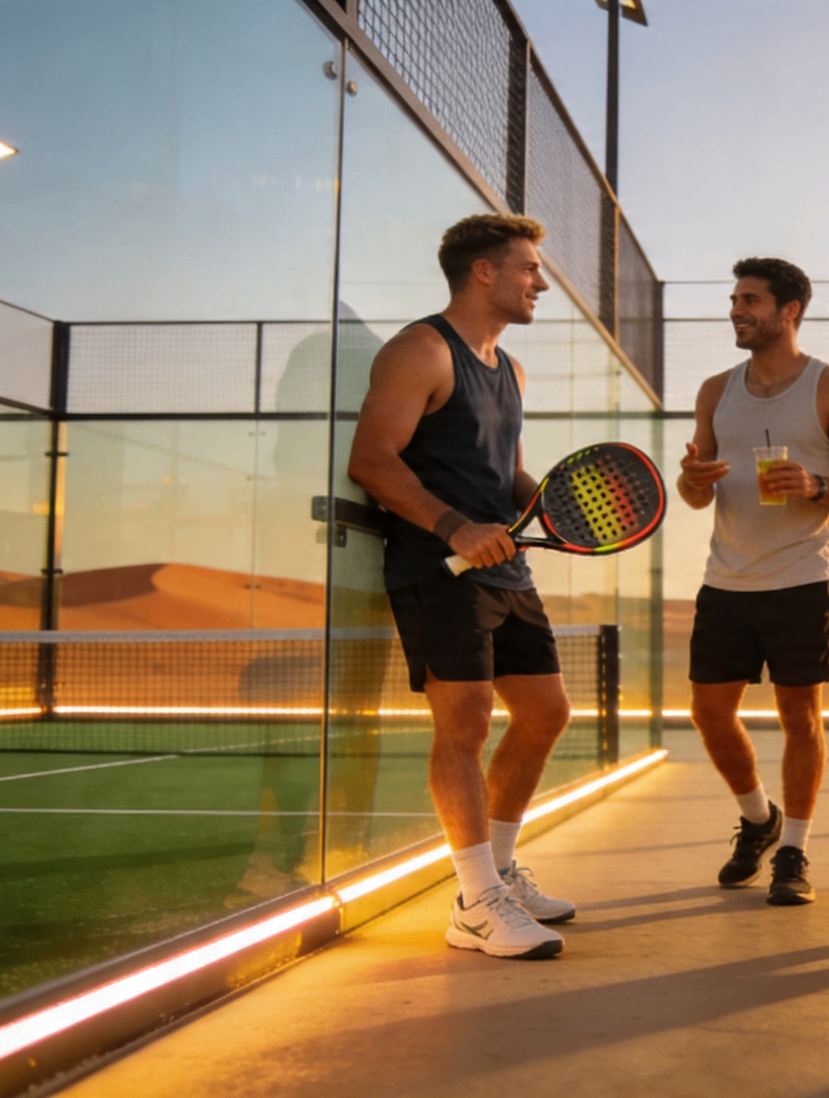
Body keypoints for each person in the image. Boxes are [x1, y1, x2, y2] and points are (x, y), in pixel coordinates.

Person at [348, 214, 575, 960]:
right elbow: (372, 459)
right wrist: (454, 529)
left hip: (505, 568)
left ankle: (499, 873)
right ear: (484, 271)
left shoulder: (510, 369)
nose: (540, 283)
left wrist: (550, 502)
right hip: (437, 568)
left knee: (545, 713)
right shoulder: (420, 350)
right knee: (466, 726)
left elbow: (503, 470)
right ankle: (475, 904)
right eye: (529, 268)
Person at [676, 257, 829, 906]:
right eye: (735, 300)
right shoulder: (715, 390)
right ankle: (758, 817)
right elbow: (694, 495)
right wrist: (692, 480)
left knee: (800, 717)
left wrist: (817, 485)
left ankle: (793, 849)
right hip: (725, 580)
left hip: (801, 578)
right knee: (709, 714)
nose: (737, 310)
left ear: (789, 311)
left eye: (750, 300)